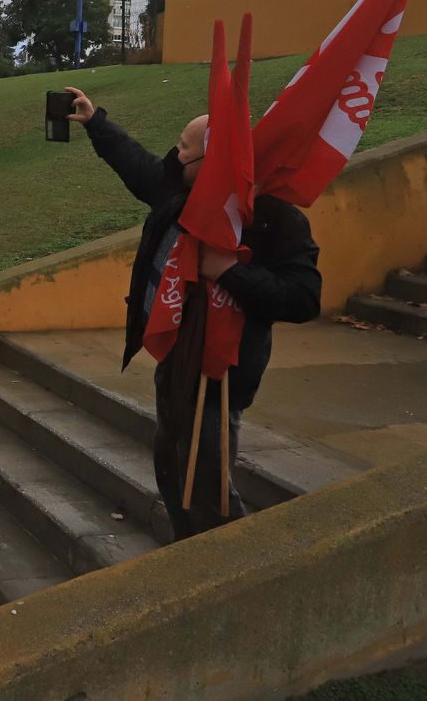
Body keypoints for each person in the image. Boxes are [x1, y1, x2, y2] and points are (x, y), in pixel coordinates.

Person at [66, 87, 321, 539]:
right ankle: (188, 549)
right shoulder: (176, 189)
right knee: (170, 466)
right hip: (176, 360)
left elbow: (303, 298)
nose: (174, 152)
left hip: (220, 375)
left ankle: (235, 571)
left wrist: (227, 273)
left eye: (184, 146)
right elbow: (137, 164)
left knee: (205, 486)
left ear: (212, 160)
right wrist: (95, 123)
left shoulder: (271, 218)